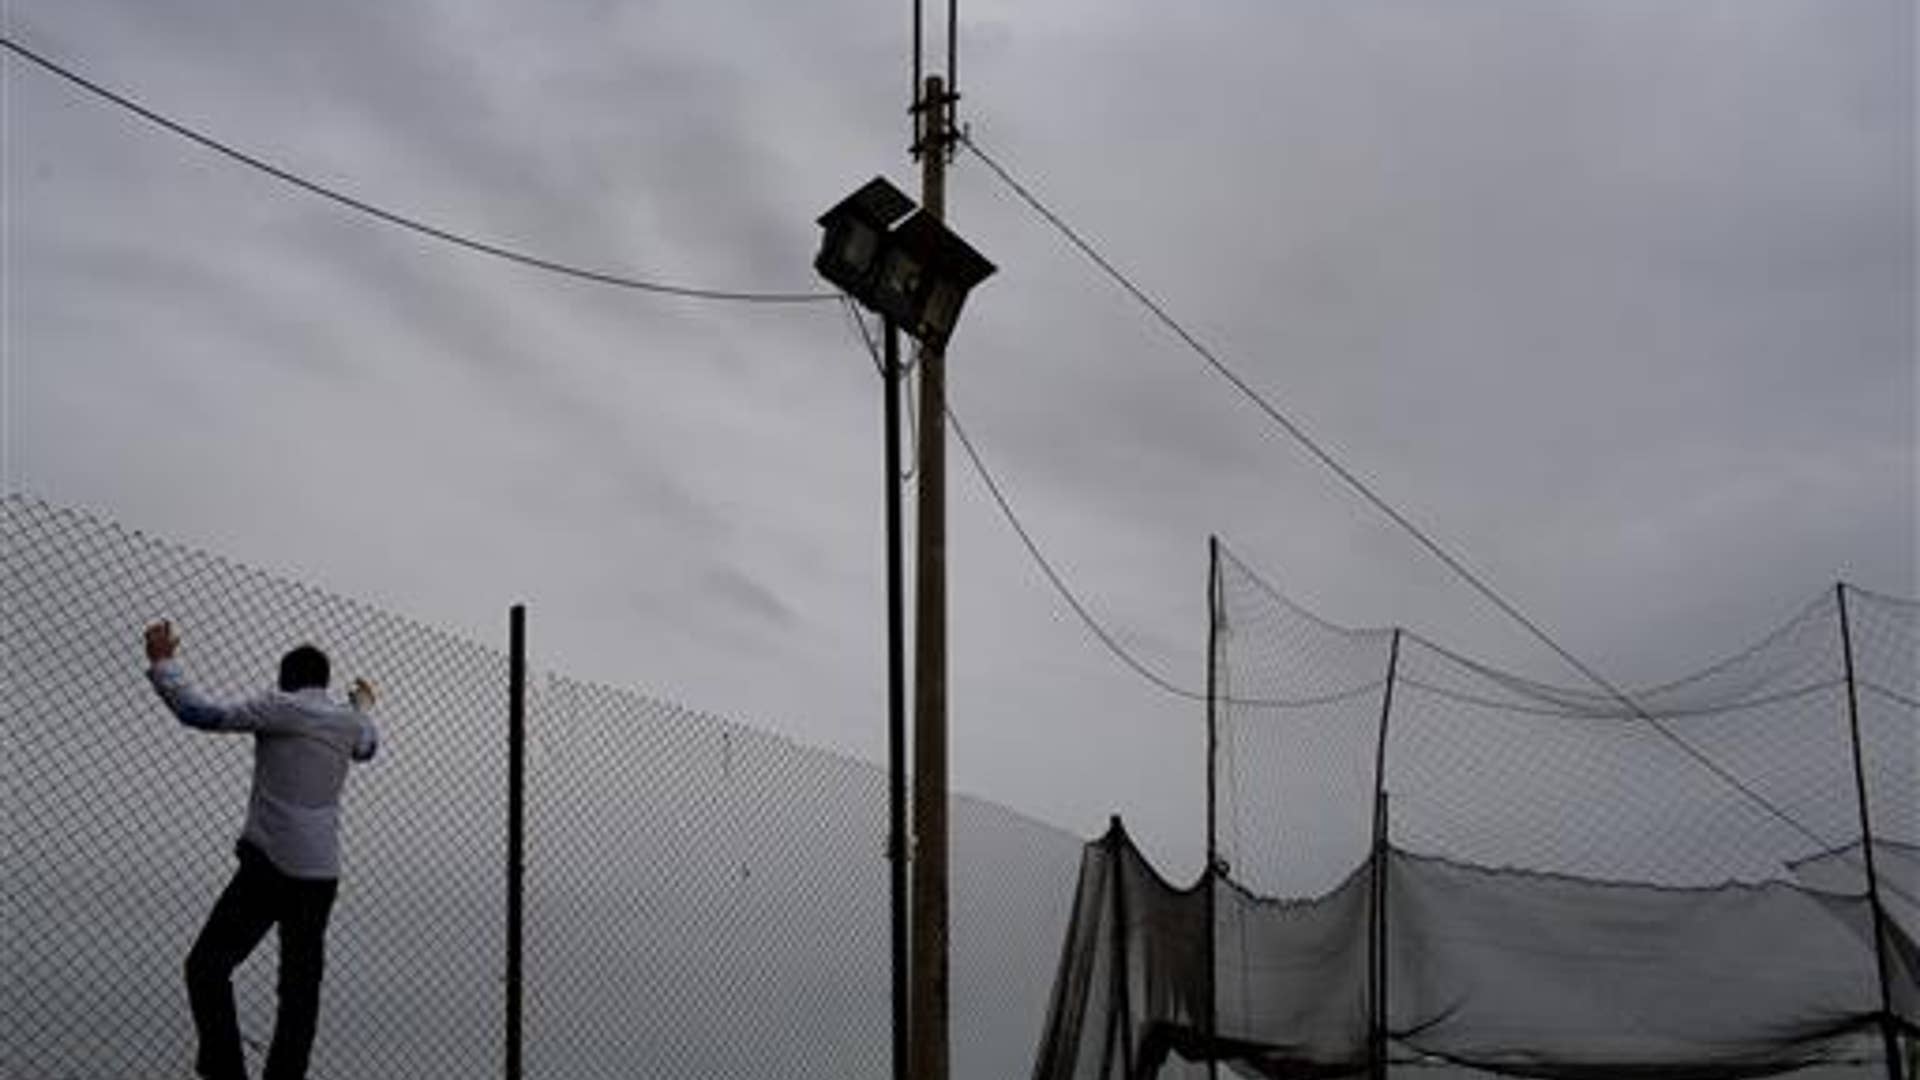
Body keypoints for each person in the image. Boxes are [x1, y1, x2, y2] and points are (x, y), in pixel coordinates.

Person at [143, 620, 380, 1080]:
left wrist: (163, 663)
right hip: (322, 874)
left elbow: (201, 714)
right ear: (323, 681)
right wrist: (363, 704)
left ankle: (224, 1069)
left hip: (270, 867)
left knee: (207, 967)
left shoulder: (280, 706)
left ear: (286, 679)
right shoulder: (349, 724)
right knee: (300, 992)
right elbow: (368, 748)